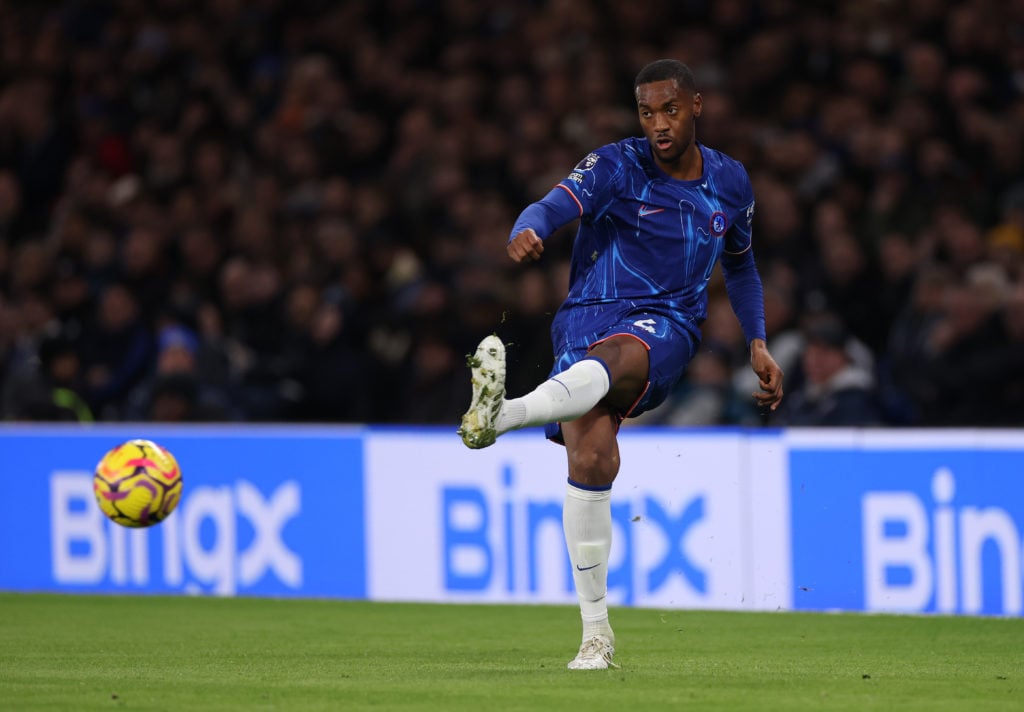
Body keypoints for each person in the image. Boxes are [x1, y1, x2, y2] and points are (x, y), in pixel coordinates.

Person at [457, 60, 784, 670]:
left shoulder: (730, 183)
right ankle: (595, 636)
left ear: (696, 106)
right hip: (585, 315)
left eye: (670, 110)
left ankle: (504, 415)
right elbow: (551, 206)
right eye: (646, 112)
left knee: (625, 352)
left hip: (667, 322)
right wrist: (527, 228)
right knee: (592, 459)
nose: (658, 124)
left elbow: (741, 265)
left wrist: (757, 340)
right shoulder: (616, 164)